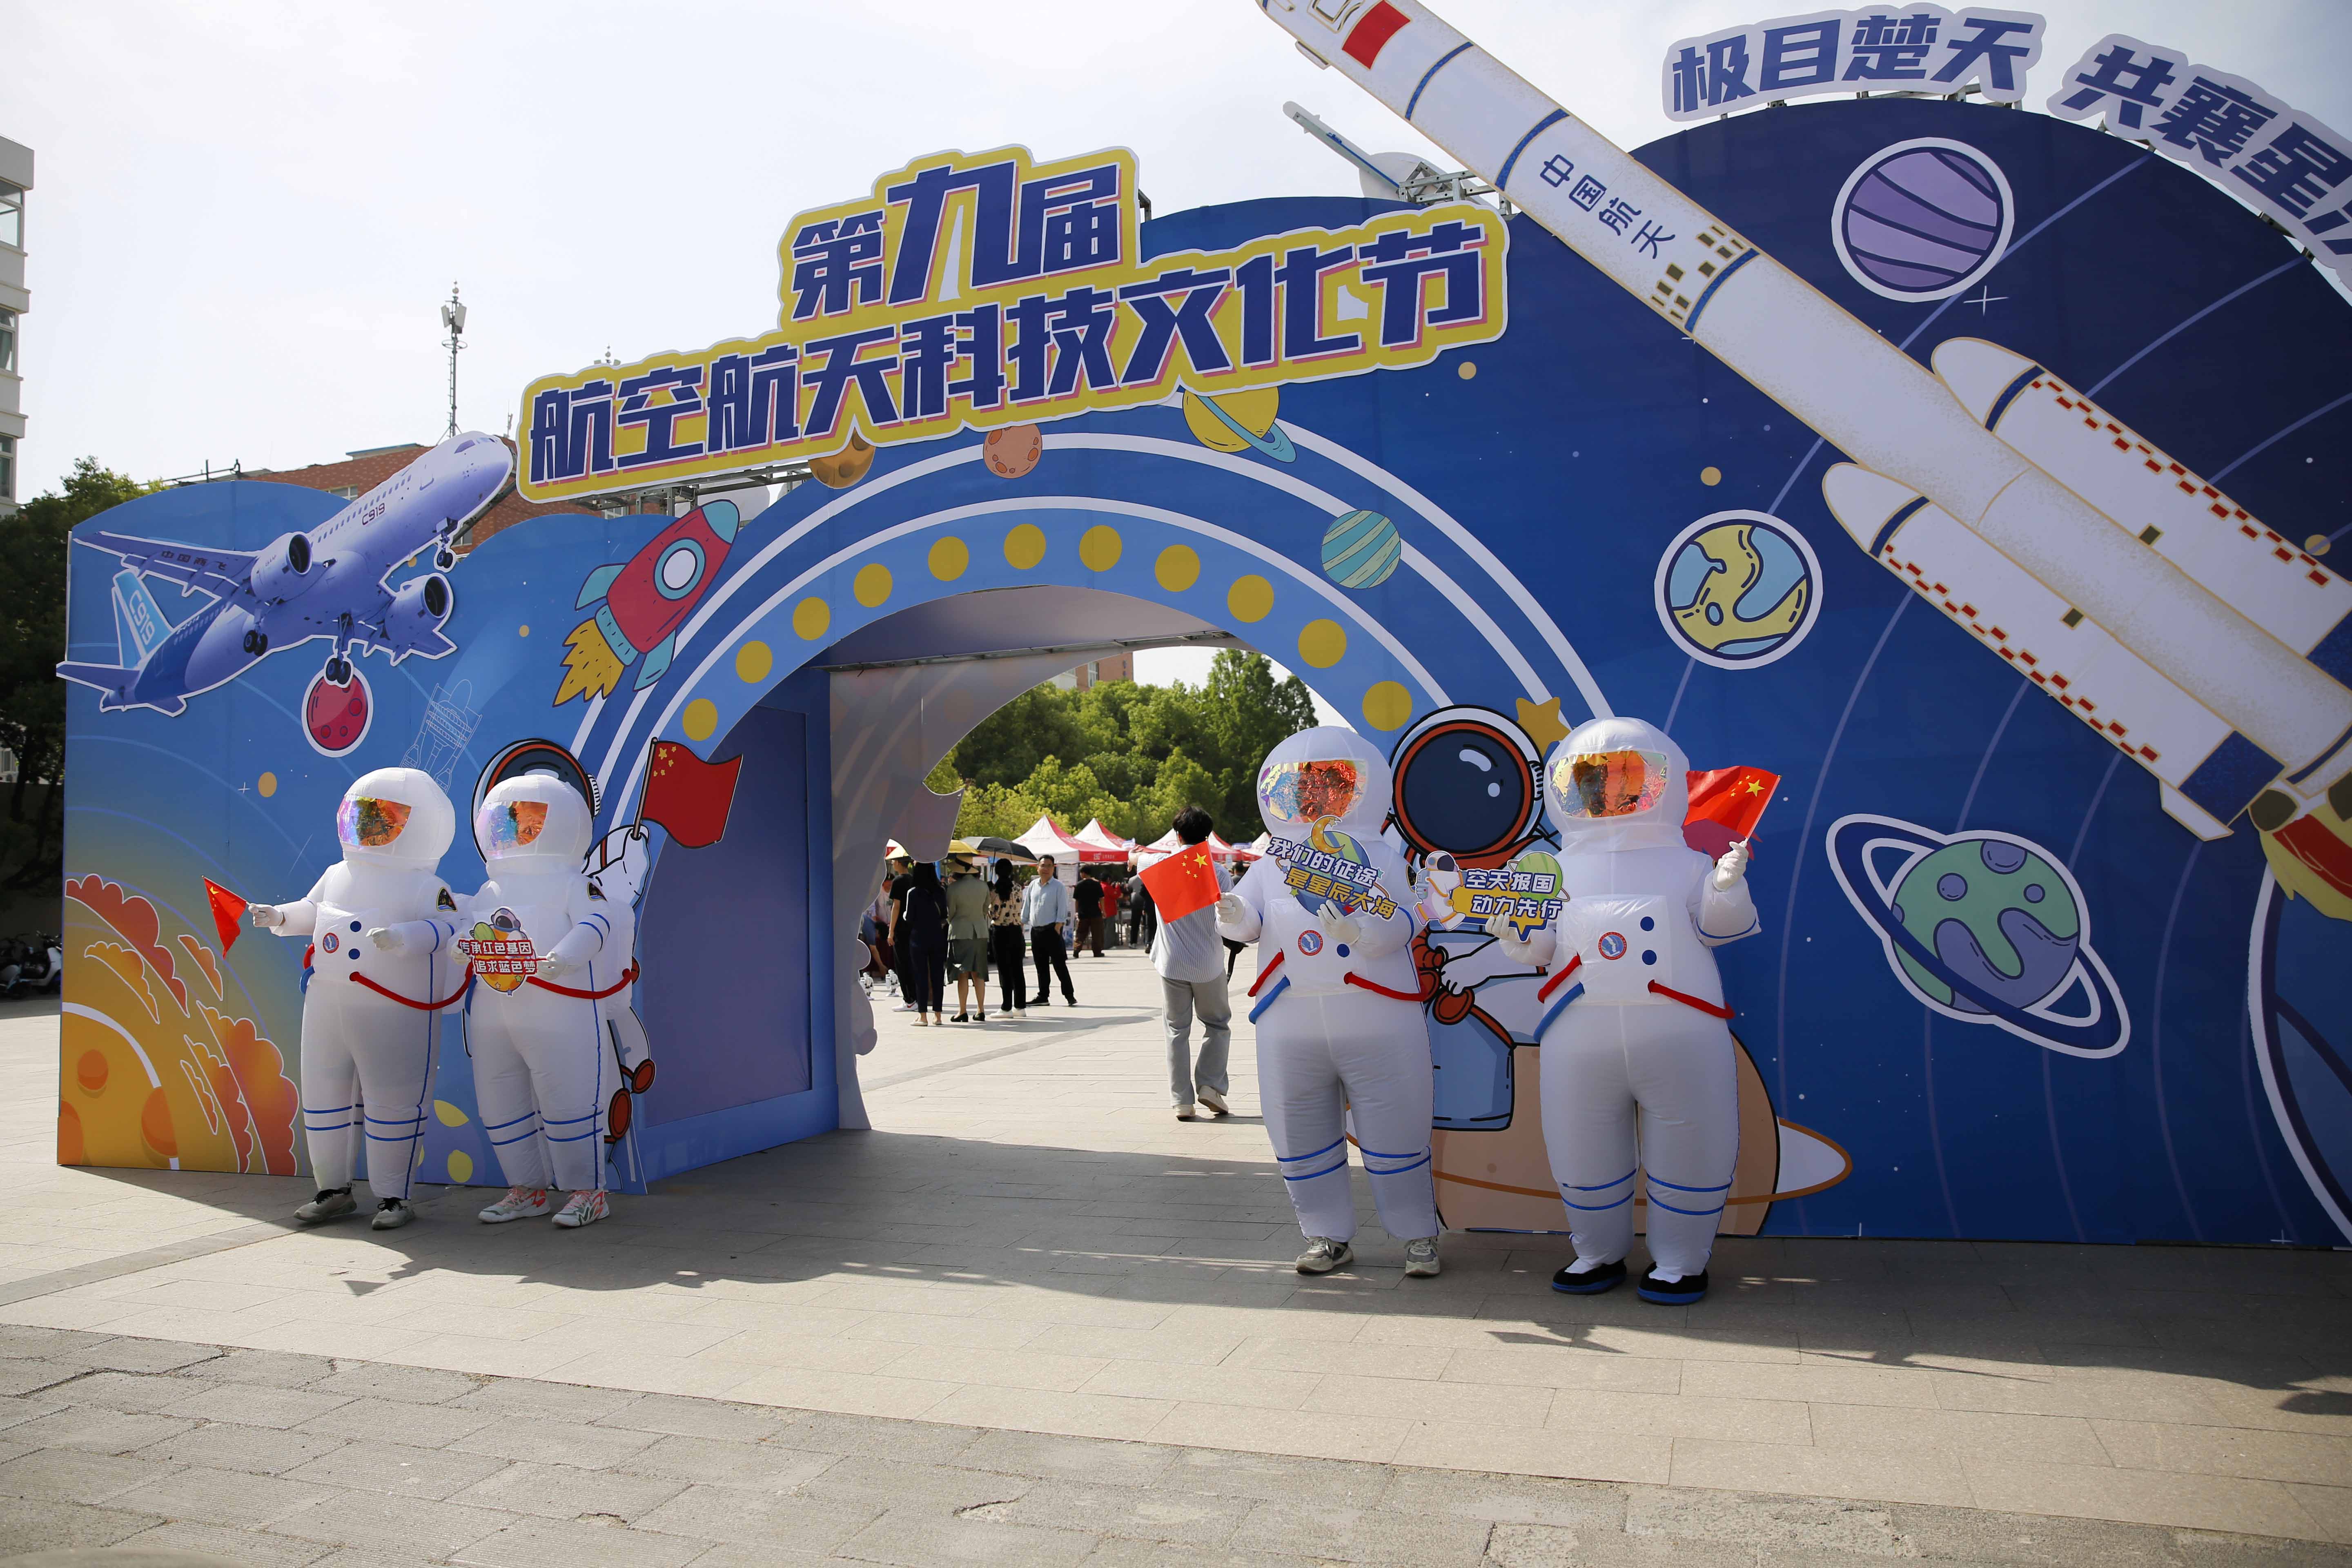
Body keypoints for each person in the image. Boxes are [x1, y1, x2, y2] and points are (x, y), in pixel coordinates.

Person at [1492, 716, 1756, 1306]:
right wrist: (1517, 935)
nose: (1609, 791)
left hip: (1680, 1034)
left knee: (1692, 1141)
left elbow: (1722, 929)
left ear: (1662, 781)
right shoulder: (1552, 870)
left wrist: (1725, 887)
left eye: (1628, 777)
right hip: (1578, 1037)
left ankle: (1681, 1260)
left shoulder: (1689, 863)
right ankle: (1596, 1250)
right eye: (1594, 779)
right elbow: (1541, 948)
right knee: (1580, 1142)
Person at [1217, 727, 1442, 1279]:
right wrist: (1232, 912)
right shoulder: (1271, 862)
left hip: (1378, 1014)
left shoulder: (1380, 856)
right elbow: (1247, 923)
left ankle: (1418, 1236)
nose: (1315, 797)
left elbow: (1409, 918)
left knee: (1397, 1132)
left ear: (1358, 789)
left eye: (1331, 785)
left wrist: (1363, 932)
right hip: (1289, 1019)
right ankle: (1325, 1234)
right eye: (1304, 787)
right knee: (1299, 1133)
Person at [249, 767, 459, 1232]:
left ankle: (393, 1196)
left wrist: (406, 936)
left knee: (392, 1099)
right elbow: (314, 910)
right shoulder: (337, 873)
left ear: (423, 824)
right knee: (324, 1095)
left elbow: (448, 927)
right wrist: (279, 915)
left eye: (386, 817)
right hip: (326, 1003)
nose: (371, 826)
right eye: (364, 815)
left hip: (394, 1008)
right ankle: (332, 1189)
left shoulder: (427, 886)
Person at [441, 774, 628, 1231]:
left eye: (530, 822)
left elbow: (597, 922)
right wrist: (461, 944)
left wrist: (564, 957)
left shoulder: (573, 883)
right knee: (499, 1102)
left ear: (560, 823)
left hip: (559, 1008)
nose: (518, 832)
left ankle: (588, 1192)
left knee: (568, 1099)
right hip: (493, 1009)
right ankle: (526, 1189)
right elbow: (468, 929)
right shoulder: (491, 890)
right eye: (508, 823)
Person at [1154, 806, 1233, 1123]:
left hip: (1172, 961)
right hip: (1208, 963)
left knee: (1176, 1030)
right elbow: (1229, 919)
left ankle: (1182, 1102)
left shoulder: (1159, 866)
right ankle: (1210, 1085)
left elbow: (1137, 859)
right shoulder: (1219, 873)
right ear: (1208, 836)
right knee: (1217, 1024)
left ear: (1177, 835)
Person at [900, 861, 949, 1026]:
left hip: (918, 938)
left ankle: (923, 1016)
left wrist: (906, 914)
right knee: (937, 976)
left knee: (920, 976)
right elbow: (944, 914)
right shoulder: (940, 891)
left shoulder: (913, 893)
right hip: (937, 936)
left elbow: (909, 917)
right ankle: (938, 1016)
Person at [944, 855, 991, 1022]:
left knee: (962, 973)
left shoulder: (953, 888)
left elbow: (950, 913)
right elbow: (985, 910)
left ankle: (962, 1010)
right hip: (980, 932)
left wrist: (953, 921)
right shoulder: (983, 886)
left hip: (960, 932)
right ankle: (981, 1010)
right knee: (979, 972)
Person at [1025, 855, 1076, 1006]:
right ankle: (1043, 996)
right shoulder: (1033, 885)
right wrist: (1023, 921)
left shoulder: (1058, 886)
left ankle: (1069, 995)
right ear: (1038, 868)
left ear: (1054, 868)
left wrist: (1059, 925)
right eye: (1043, 865)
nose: (1045, 869)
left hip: (1052, 930)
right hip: (1036, 931)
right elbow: (1027, 905)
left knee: (1059, 964)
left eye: (1049, 866)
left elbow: (1063, 907)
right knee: (1041, 966)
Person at [988, 861, 1029, 1018]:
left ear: (997, 872)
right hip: (1016, 931)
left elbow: (994, 914)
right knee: (1018, 969)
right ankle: (1020, 1006)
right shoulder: (1018, 888)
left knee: (1004, 970)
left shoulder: (995, 890)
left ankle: (1006, 1007)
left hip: (1001, 932)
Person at [884, 855, 919, 1011]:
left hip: (901, 929)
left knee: (902, 965)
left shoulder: (898, 881)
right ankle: (916, 997)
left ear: (899, 863)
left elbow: (896, 907)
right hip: (914, 927)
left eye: (893, 861)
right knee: (913, 963)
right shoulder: (914, 880)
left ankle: (909, 999)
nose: (893, 863)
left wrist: (891, 931)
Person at [1074, 871, 1106, 957]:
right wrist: (1103, 911)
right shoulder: (1097, 884)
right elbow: (1101, 898)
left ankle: (1077, 949)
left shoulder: (1079, 885)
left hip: (1083, 913)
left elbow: (1077, 900)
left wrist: (1077, 912)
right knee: (1097, 934)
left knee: (1081, 933)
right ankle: (1097, 952)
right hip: (1096, 913)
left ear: (1084, 873)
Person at [1124, 866, 1155, 948]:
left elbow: (1128, 890)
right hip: (1147, 902)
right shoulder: (1148, 878)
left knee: (1135, 923)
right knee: (1147, 924)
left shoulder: (1132, 880)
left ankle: (1133, 942)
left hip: (1135, 902)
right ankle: (1147, 942)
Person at [1101, 873, 1124, 949]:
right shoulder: (1107, 887)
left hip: (1102, 911)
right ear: (1108, 879)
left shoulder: (1100, 886)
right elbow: (1116, 895)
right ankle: (1108, 945)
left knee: (1104, 929)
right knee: (1110, 929)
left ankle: (1103, 945)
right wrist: (1118, 887)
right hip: (1109, 911)